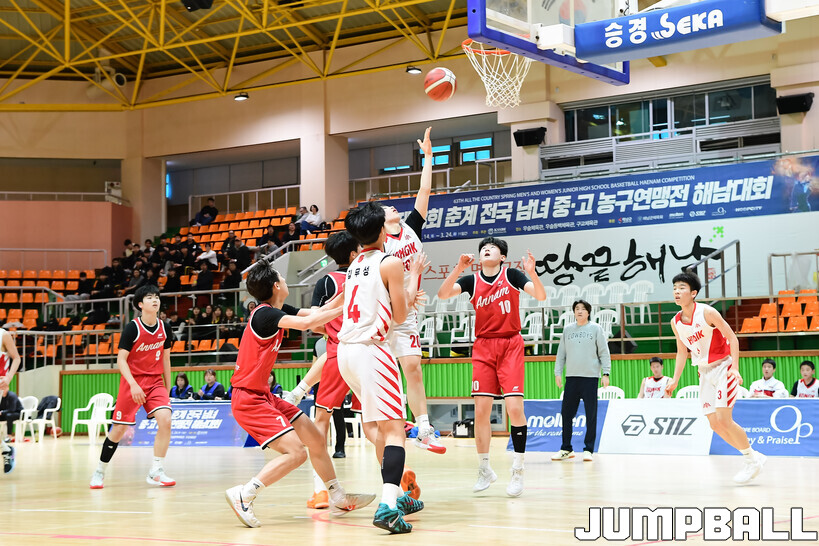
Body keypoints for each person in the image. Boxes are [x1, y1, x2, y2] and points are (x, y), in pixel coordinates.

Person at [224, 255, 374, 528]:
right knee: (296, 453)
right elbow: (307, 324)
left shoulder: (278, 309)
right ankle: (244, 494)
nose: (284, 280)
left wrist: (348, 295)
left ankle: (337, 496)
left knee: (315, 439)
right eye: (281, 278)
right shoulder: (265, 314)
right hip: (248, 399)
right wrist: (346, 307)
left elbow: (315, 315)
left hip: (264, 396)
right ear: (275, 286)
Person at [337, 201, 426, 534]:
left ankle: (399, 495)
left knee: (376, 427)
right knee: (395, 431)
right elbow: (400, 316)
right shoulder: (390, 262)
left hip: (346, 353)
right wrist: (413, 279)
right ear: (381, 231)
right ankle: (388, 506)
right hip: (372, 350)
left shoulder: (354, 264)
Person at [437, 237, 546, 496]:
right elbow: (442, 295)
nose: (486, 250)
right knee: (481, 411)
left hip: (510, 344)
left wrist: (532, 272)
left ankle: (518, 469)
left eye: (492, 248)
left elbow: (541, 295)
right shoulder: (472, 280)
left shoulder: (512, 275)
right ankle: (484, 468)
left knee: (515, 408)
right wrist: (459, 268)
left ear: (502, 257)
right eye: (483, 248)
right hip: (484, 346)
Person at [286, 231, 367, 509]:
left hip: (337, 352)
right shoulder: (369, 277)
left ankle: (320, 490)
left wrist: (332, 328)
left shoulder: (327, 281)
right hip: (368, 353)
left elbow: (316, 322)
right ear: (355, 253)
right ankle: (400, 484)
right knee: (380, 424)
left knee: (321, 421)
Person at [378, 127, 445, 454]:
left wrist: (428, 157)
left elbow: (425, 189)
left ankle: (424, 427)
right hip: (384, 311)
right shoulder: (379, 245)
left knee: (413, 367)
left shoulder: (411, 227)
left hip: (408, 310)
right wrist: (410, 283)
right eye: (386, 209)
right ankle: (390, 426)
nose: (393, 207)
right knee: (386, 373)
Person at [665, 272, 765, 484]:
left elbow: (732, 338)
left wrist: (735, 368)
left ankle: (751, 460)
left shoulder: (707, 312)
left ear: (693, 293)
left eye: (682, 288)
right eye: (674, 288)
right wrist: (675, 380)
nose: (676, 291)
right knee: (714, 424)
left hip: (723, 368)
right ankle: (754, 456)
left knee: (724, 419)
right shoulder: (675, 322)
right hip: (704, 372)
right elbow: (682, 352)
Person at [90, 285, 175, 489]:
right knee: (119, 429)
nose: (155, 300)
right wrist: (134, 385)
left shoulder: (165, 328)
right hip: (133, 382)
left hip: (155, 382)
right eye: (150, 297)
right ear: (140, 304)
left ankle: (156, 470)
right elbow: (121, 360)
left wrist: (168, 388)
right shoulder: (132, 328)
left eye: (157, 297)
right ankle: (99, 471)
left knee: (166, 419)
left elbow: (166, 359)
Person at [552, 300, 611, 462]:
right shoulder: (567, 329)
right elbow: (561, 354)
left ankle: (588, 449)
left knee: (591, 414)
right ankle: (566, 448)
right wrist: (558, 373)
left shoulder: (596, 329)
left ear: (588, 312)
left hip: (590, 378)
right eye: (577, 309)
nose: (579, 311)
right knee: (566, 414)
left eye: (583, 309)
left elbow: (604, 352)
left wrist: (606, 373)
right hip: (571, 378)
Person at [0, 327, 21, 473]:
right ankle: (6, 449)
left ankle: (6, 450)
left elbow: (17, 358)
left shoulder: (3, 335)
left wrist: (8, 377)